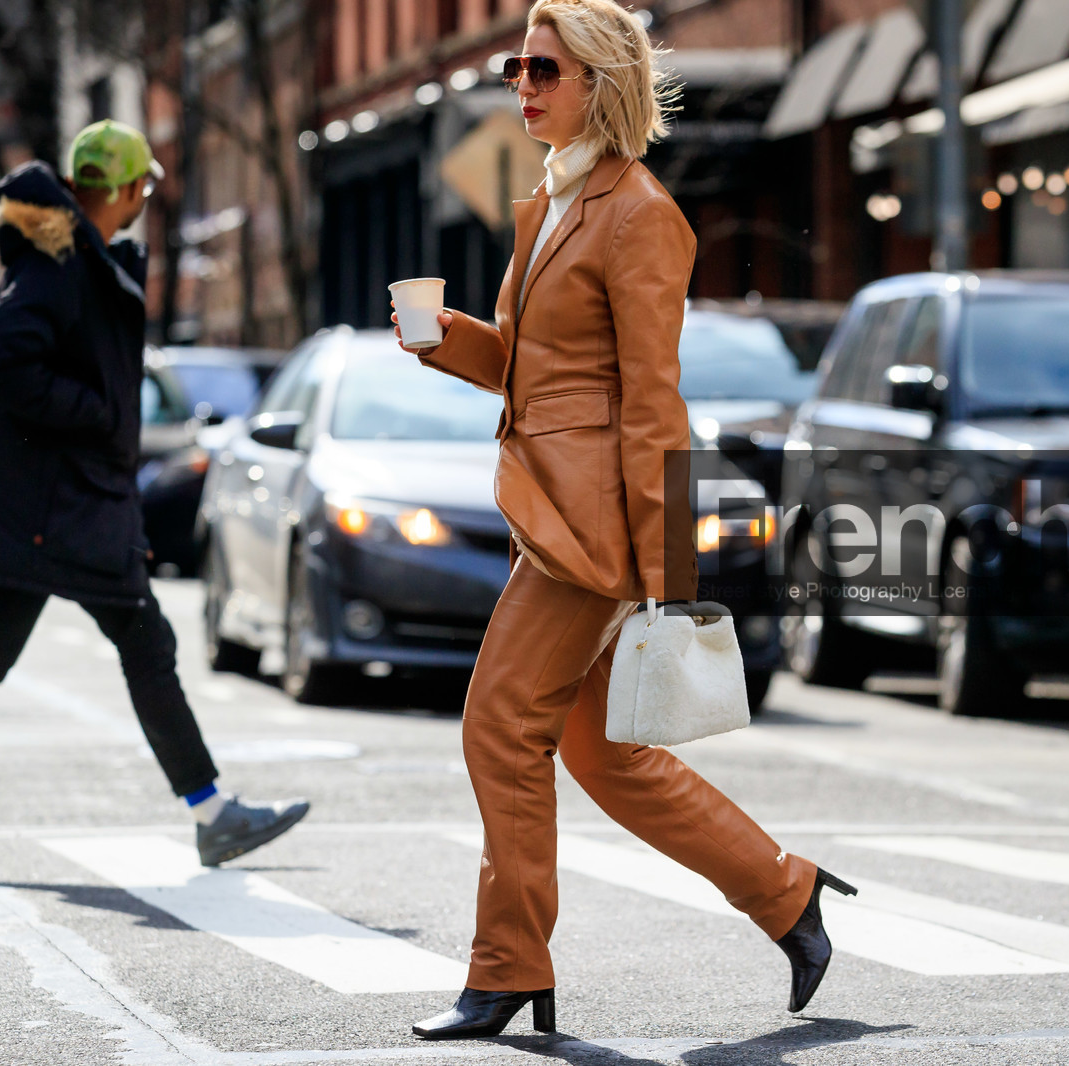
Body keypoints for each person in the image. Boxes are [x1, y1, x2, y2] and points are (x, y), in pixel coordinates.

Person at [392, 0, 854, 1040]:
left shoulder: (641, 212)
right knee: (606, 753)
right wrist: (443, 336)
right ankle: (788, 896)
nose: (522, 85)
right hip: (550, 508)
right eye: (517, 66)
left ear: (599, 81)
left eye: (543, 69)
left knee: (497, 727)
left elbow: (653, 403)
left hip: (589, 532)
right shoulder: (552, 204)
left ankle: (507, 965)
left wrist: (667, 567)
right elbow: (527, 366)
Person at [0, 120, 309, 876]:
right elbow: (0, 366)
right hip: (58, 513)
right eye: (143, 187)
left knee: (7, 653)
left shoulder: (72, 261)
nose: (144, 201)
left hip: (62, 509)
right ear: (121, 189)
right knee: (128, 646)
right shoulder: (58, 268)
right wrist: (93, 413)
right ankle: (213, 814)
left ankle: (212, 812)